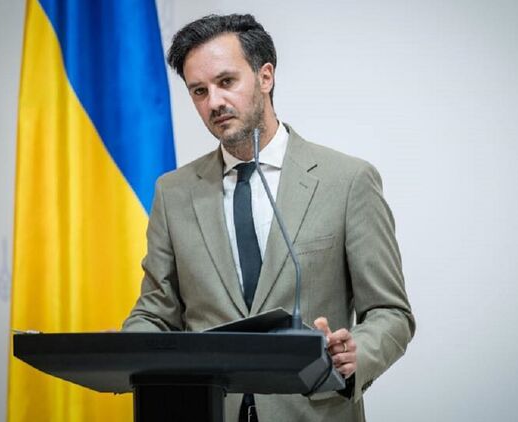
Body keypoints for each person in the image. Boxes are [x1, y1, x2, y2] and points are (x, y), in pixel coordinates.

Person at [123, 13, 415, 422]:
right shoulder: (173, 193)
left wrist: (355, 353)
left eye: (226, 82)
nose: (214, 102)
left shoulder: (348, 181)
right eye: (199, 91)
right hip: (206, 409)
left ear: (265, 76)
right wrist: (127, 348)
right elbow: (156, 311)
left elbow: (391, 313)